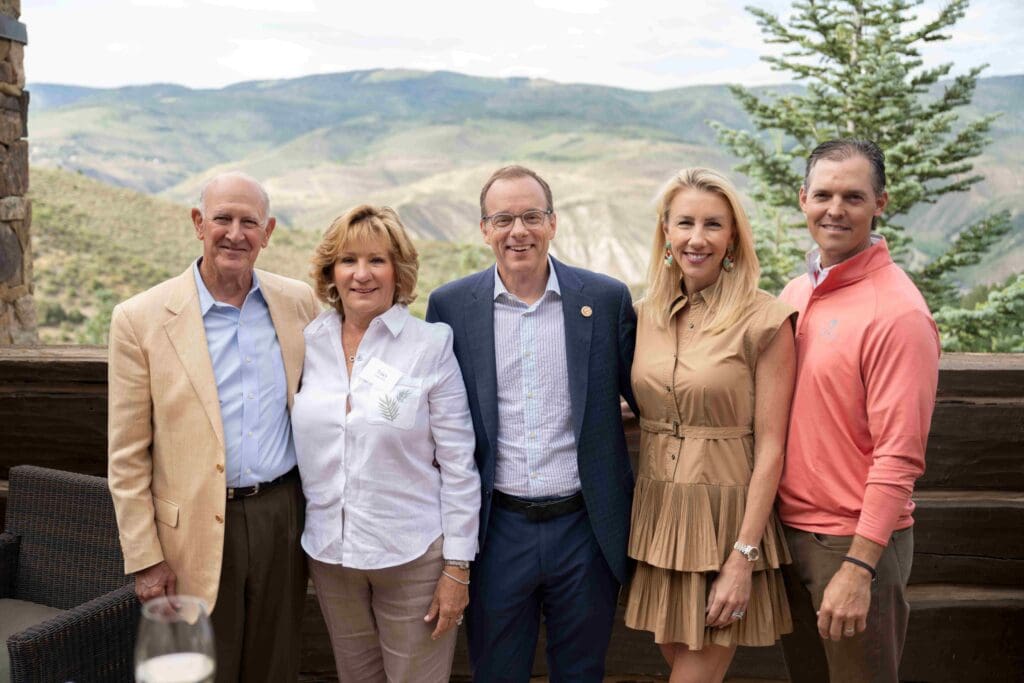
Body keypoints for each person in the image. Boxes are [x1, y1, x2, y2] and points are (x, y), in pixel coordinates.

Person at [426, 164, 637, 682]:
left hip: (584, 528)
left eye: (531, 216)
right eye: (503, 219)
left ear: (553, 223)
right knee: (496, 672)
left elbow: (649, 397)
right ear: (484, 230)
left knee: (582, 672)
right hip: (496, 529)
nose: (518, 231)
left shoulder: (606, 300)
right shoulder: (450, 307)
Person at [108, 171, 320, 682]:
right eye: (222, 218)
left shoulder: (299, 304)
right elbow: (127, 455)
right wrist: (145, 560)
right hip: (190, 534)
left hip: (282, 517)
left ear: (267, 233)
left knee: (276, 665)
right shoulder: (139, 318)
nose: (235, 233)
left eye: (249, 222)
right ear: (198, 224)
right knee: (200, 671)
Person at [291, 204, 480, 683]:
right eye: (348, 260)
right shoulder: (305, 343)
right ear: (331, 272)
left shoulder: (430, 345)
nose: (362, 274)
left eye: (377, 260)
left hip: (413, 556)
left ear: (399, 270)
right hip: (331, 556)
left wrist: (457, 568)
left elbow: (459, 463)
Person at [777, 139, 940, 683]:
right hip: (790, 537)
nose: (835, 209)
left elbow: (899, 457)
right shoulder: (796, 293)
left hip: (850, 546)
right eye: (823, 194)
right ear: (803, 199)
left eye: (853, 196)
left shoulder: (897, 313)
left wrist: (858, 568)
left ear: (881, 203)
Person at [624, 167, 796, 682]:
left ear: (733, 237)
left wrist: (743, 555)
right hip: (659, 516)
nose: (697, 238)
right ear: (666, 233)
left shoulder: (765, 320)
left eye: (713, 225)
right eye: (685, 223)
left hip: (727, 522)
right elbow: (657, 398)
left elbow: (771, 446)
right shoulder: (642, 314)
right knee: (684, 667)